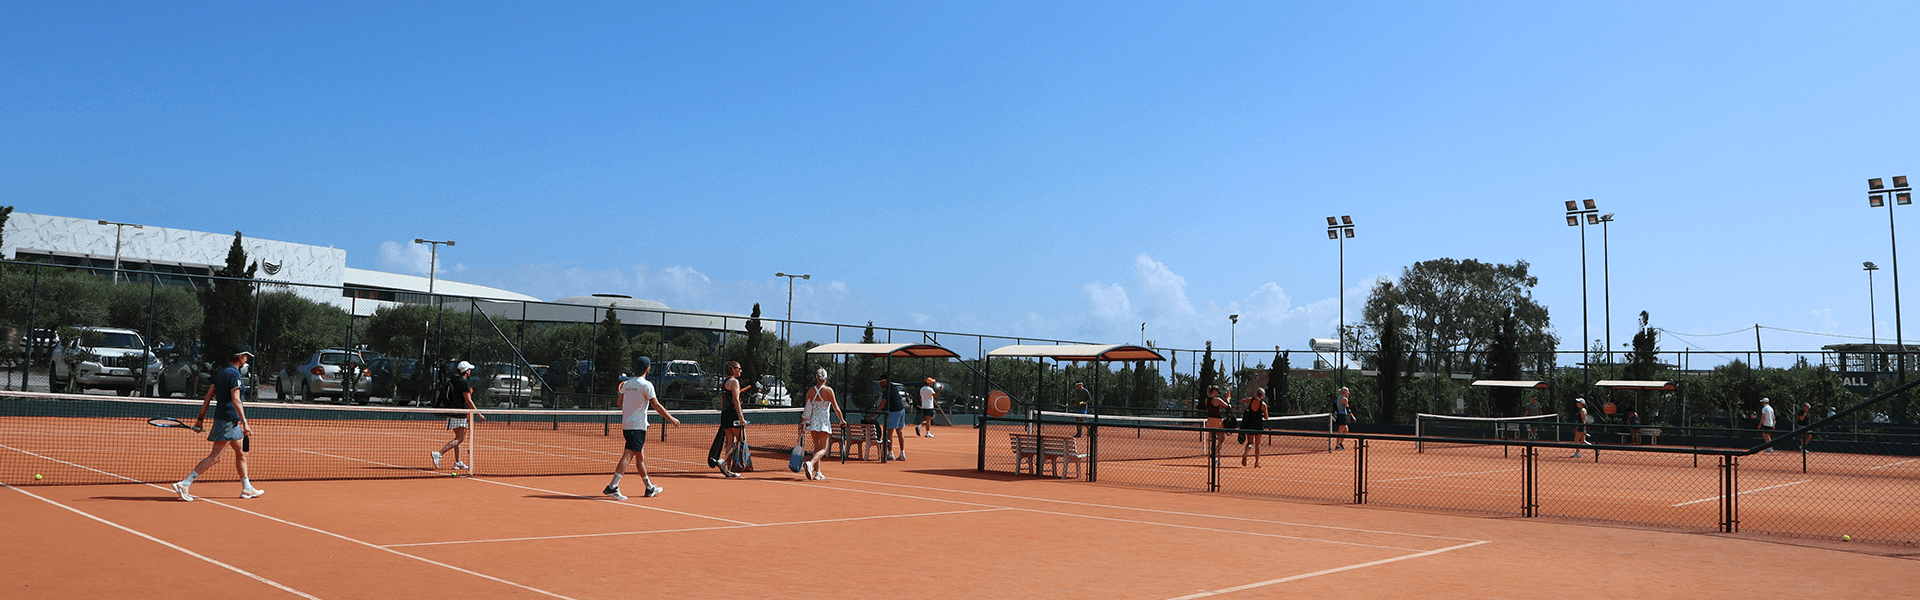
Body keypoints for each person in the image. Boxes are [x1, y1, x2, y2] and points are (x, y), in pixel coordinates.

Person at [173, 344, 264, 501]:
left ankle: (247, 488)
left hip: (229, 421)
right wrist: (245, 422)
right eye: (246, 356)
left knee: (241, 453)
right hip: (228, 420)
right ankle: (185, 483)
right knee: (216, 457)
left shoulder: (221, 373)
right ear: (240, 357)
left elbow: (208, 397)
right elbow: (236, 399)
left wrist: (200, 419)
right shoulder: (234, 375)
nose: (247, 359)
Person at [605, 357, 679, 500]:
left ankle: (649, 487)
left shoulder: (627, 384)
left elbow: (619, 403)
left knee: (640, 457)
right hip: (638, 427)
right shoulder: (647, 385)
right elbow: (657, 406)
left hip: (626, 425)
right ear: (647, 368)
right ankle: (612, 486)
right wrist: (672, 419)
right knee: (628, 455)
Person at [431, 361, 485, 470]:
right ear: (466, 371)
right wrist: (478, 414)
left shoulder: (452, 380)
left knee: (458, 438)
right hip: (459, 414)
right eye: (469, 369)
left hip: (452, 413)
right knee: (460, 439)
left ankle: (458, 462)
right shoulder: (463, 383)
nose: (470, 371)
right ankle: (439, 453)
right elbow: (468, 401)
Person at [799, 367, 845, 480]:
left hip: (813, 421)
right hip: (823, 421)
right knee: (824, 449)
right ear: (826, 378)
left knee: (817, 447)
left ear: (816, 377)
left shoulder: (810, 391)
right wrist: (842, 420)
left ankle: (817, 472)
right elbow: (836, 407)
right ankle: (811, 463)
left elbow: (807, 409)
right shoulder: (829, 391)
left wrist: (803, 423)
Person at [716, 361, 749, 477]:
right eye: (739, 368)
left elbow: (723, 401)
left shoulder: (725, 382)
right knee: (740, 442)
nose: (741, 370)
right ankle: (723, 461)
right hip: (733, 414)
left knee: (730, 443)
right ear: (733, 369)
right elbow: (735, 400)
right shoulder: (735, 382)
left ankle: (728, 470)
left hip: (725, 414)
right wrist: (741, 417)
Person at [876, 375, 907, 460]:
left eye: (880, 382)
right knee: (899, 432)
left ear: (885, 381)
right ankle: (902, 453)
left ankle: (890, 453)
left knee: (889, 433)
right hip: (901, 410)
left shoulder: (887, 390)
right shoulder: (893, 387)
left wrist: (872, 415)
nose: (879, 384)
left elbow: (882, 404)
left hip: (894, 412)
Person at [1239, 387, 1269, 467]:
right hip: (1258, 425)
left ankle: (1246, 453)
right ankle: (1256, 462)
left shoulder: (1250, 400)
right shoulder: (1263, 404)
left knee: (1250, 443)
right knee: (1257, 444)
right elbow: (1266, 417)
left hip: (1250, 424)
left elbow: (1242, 400)